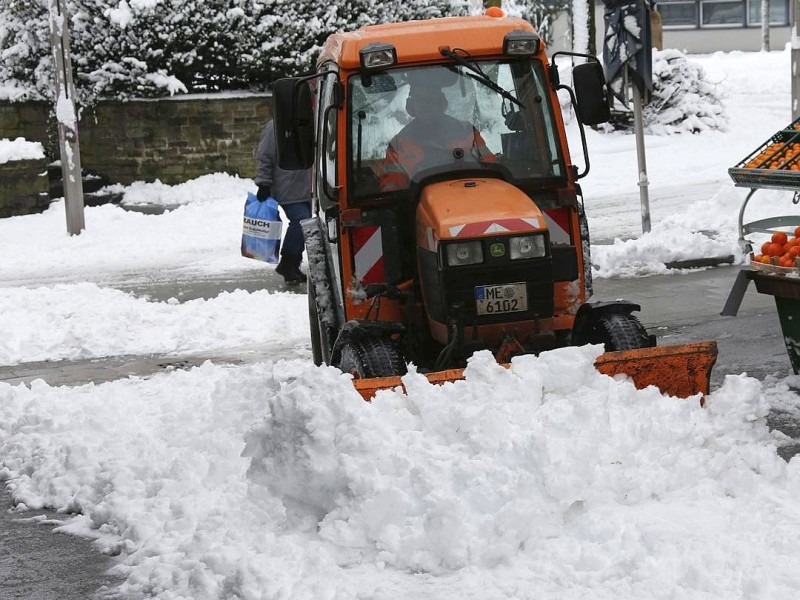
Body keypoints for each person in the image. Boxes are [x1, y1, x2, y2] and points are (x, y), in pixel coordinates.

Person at [380, 83, 496, 191]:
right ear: (411, 104)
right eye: (420, 100)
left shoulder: (466, 131)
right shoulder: (399, 144)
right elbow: (392, 189)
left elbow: (491, 170)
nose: (425, 106)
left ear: (441, 102)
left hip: (472, 197)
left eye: (430, 100)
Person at [255, 119, 312, 286]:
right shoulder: (276, 126)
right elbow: (264, 155)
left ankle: (293, 265)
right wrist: (263, 182)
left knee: (306, 223)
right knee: (301, 221)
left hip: (304, 186)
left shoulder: (307, 121)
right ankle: (287, 264)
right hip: (286, 184)